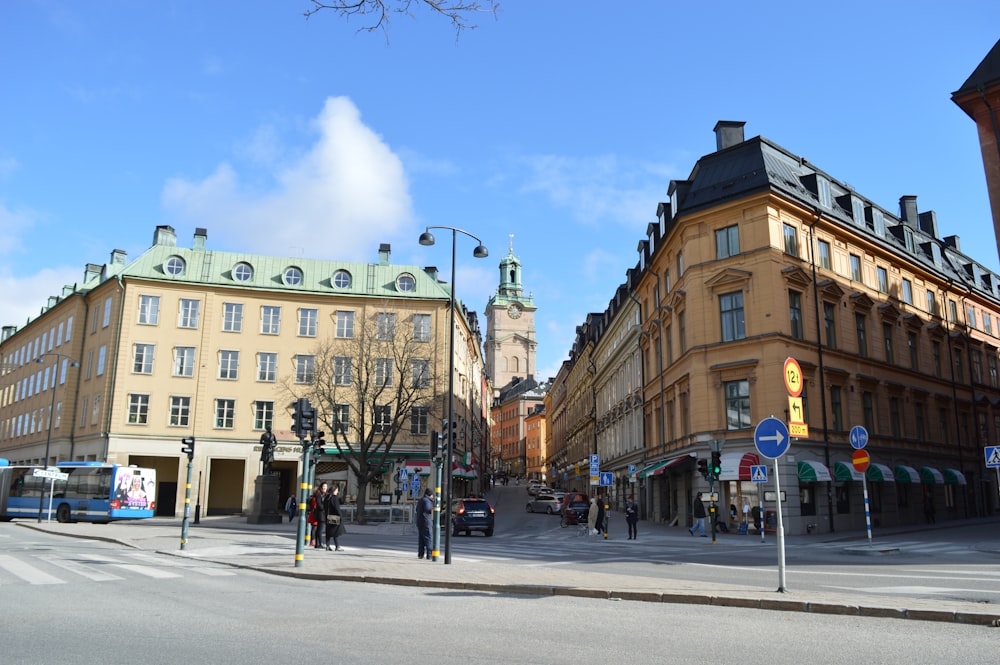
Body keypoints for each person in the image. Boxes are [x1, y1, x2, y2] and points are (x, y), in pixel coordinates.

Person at [310, 482, 329, 549]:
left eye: (326, 487)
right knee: (320, 530)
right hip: (321, 515)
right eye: (324, 486)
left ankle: (317, 544)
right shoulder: (319, 494)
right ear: (321, 487)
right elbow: (319, 504)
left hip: (320, 514)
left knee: (318, 529)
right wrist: (324, 509)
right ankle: (320, 543)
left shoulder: (324, 494)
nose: (325, 488)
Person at [325, 485, 344, 551]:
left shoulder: (327, 497)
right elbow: (337, 508)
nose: (337, 492)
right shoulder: (335, 498)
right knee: (336, 531)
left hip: (328, 516)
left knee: (329, 531)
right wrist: (340, 516)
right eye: (336, 490)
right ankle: (337, 546)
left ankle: (327, 546)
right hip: (335, 516)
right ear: (334, 491)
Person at [416, 488, 434, 560]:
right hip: (426, 522)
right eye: (432, 495)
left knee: (421, 539)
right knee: (428, 538)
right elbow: (428, 509)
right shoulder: (427, 501)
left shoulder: (421, 500)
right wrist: (433, 509)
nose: (433, 497)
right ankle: (429, 555)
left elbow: (417, 509)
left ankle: (421, 554)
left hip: (420, 522)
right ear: (430, 495)